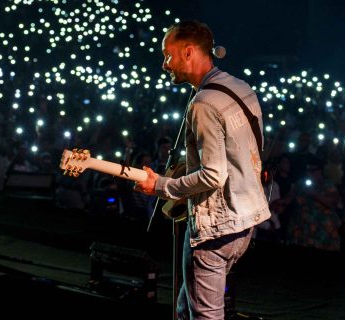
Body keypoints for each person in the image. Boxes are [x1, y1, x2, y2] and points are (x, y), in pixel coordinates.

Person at [134, 20, 271, 320]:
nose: (164, 64)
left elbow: (212, 175)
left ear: (188, 52)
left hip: (215, 229)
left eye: (167, 56)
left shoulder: (204, 104)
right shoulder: (240, 87)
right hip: (245, 222)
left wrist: (161, 186)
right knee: (186, 310)